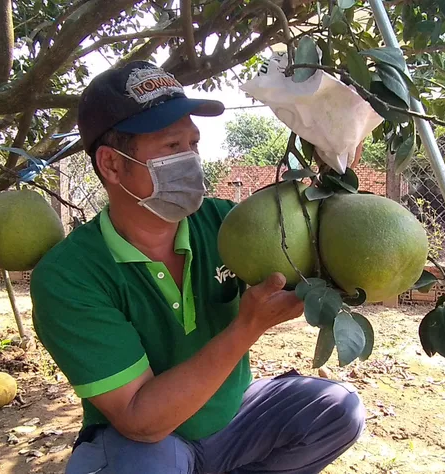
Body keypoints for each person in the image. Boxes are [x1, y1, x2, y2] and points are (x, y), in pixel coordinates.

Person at [29, 61, 366, 474]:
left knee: (337, 412)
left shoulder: (227, 226)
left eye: (193, 144)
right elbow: (138, 418)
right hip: (149, 443)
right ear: (111, 164)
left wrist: (334, 180)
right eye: (172, 147)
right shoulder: (70, 275)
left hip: (231, 414)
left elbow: (315, 250)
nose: (190, 160)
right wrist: (247, 327)